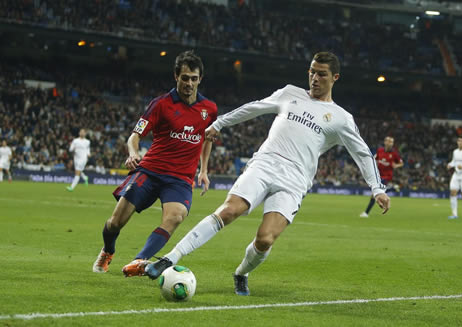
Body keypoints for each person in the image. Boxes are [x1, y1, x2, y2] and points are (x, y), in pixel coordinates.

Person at [144, 52, 390, 296]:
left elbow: (362, 152)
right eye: (312, 72)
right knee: (229, 210)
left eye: (321, 74)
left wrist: (376, 188)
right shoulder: (290, 93)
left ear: (335, 77)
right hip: (265, 163)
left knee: (265, 239)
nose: (315, 78)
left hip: (295, 179)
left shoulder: (341, 118)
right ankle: (170, 256)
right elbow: (255, 108)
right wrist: (220, 123)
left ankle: (241, 273)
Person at [92, 51, 218, 276]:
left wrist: (204, 169)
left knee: (176, 215)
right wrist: (132, 153)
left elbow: (207, 138)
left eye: (194, 78)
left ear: (200, 79)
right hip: (150, 171)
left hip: (180, 178)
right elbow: (135, 135)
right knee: (115, 222)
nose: (189, 83)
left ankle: (139, 261)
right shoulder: (160, 104)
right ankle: (108, 250)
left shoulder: (210, 110)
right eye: (185, 78)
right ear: (176, 76)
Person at [360, 136, 403, 218]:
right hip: (378, 175)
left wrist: (396, 166)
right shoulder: (380, 151)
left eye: (391, 142)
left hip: (387, 176)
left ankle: (366, 213)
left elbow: (401, 163)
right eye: (388, 141)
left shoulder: (394, 154)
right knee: (377, 192)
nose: (390, 143)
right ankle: (393, 188)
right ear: (385, 142)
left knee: (374, 194)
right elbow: (374, 159)